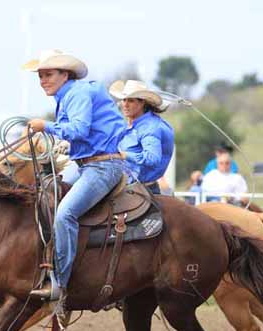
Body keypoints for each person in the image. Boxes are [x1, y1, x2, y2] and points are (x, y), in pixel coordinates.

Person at [23, 50, 125, 311]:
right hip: (86, 164)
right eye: (40, 76)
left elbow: (78, 129)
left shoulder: (77, 94)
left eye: (47, 75)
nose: (42, 80)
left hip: (102, 167)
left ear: (64, 74)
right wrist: (62, 147)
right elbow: (83, 135)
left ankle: (60, 282)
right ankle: (43, 262)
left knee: (65, 214)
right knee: (45, 194)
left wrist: (45, 127)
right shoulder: (68, 95)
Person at [108, 80, 174, 195]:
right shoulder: (129, 124)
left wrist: (125, 155)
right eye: (124, 100)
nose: (125, 104)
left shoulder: (150, 127)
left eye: (131, 101)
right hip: (123, 182)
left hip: (140, 188)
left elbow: (153, 158)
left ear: (142, 103)